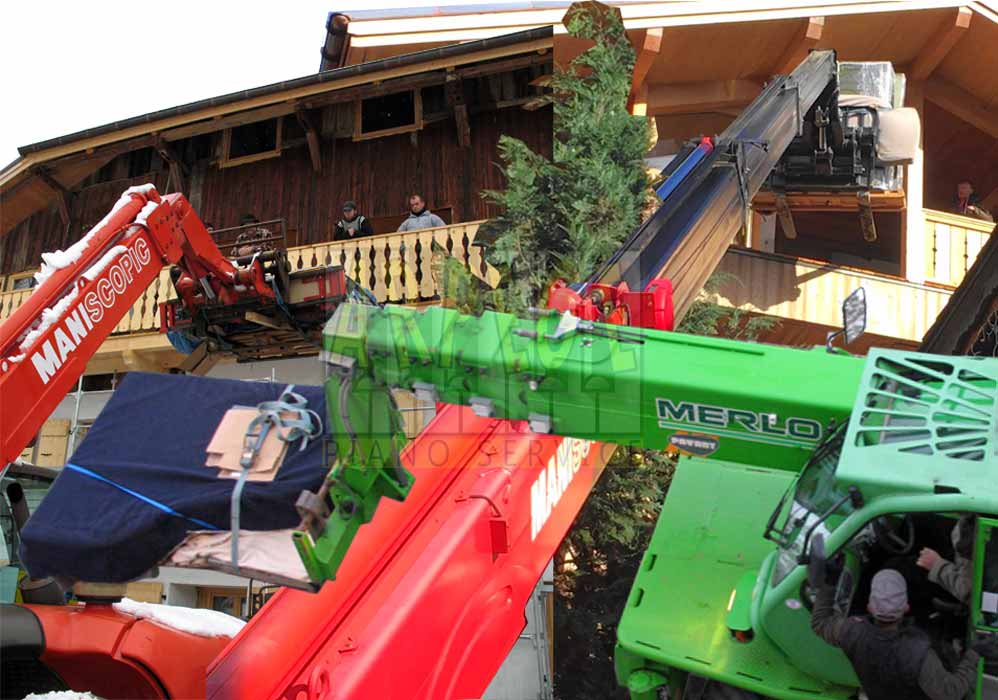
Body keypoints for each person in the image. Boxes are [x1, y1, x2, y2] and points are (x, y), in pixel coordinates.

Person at [811, 567, 986, 700]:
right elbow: (950, 692)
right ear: (906, 607)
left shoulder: (851, 632)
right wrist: (974, 654)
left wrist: (828, 585)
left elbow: (820, 623)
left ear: (870, 607)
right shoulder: (919, 653)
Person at [916, 514, 975, 603]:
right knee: (918, 519)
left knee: (902, 567)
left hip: (963, 584)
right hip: (968, 555)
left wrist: (937, 566)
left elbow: (971, 595)